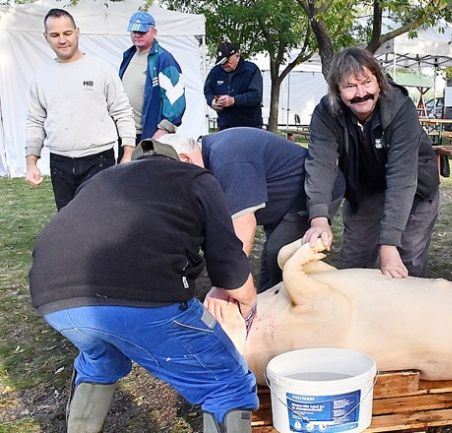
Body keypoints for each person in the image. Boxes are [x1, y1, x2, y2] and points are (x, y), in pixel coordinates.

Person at [29, 138, 259, 433]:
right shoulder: (196, 178)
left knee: (102, 357)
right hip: (144, 298)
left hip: (52, 295)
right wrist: (249, 303)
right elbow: (228, 266)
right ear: (186, 159)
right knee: (229, 384)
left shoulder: (102, 178)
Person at [302, 47, 440, 279]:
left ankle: (403, 314)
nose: (361, 93)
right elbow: (320, 165)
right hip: (365, 190)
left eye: (367, 82)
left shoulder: (400, 108)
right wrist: (319, 218)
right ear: (337, 90)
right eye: (350, 86)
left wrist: (389, 242)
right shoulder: (326, 114)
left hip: (415, 190)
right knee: (354, 262)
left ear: (379, 81)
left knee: (407, 265)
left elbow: (402, 176)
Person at [156, 128, 344, 292]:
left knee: (279, 255)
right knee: (270, 268)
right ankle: (263, 309)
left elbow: (243, 225)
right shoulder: (210, 157)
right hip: (283, 202)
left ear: (185, 159)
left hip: (312, 193)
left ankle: (307, 313)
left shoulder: (227, 159)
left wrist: (226, 285)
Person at [25, 8, 136, 211]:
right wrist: (31, 163)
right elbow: (35, 120)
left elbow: (122, 112)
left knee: (100, 218)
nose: (62, 40)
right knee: (68, 221)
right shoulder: (41, 76)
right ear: (46, 37)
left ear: (77, 32)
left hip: (99, 160)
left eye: (67, 33)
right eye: (55, 35)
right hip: (60, 163)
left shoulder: (101, 69)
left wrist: (127, 152)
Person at [119, 11, 185, 158]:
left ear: (154, 32)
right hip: (128, 134)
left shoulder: (164, 60)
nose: (137, 35)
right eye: (134, 31)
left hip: (150, 135)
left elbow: (176, 97)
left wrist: (165, 129)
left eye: (142, 31)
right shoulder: (128, 56)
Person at [204, 39, 263, 130]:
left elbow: (255, 95)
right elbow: (208, 91)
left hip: (250, 126)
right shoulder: (215, 72)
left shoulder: (251, 70)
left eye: (228, 61)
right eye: (222, 63)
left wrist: (234, 100)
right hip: (225, 126)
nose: (225, 65)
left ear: (237, 56)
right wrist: (212, 102)